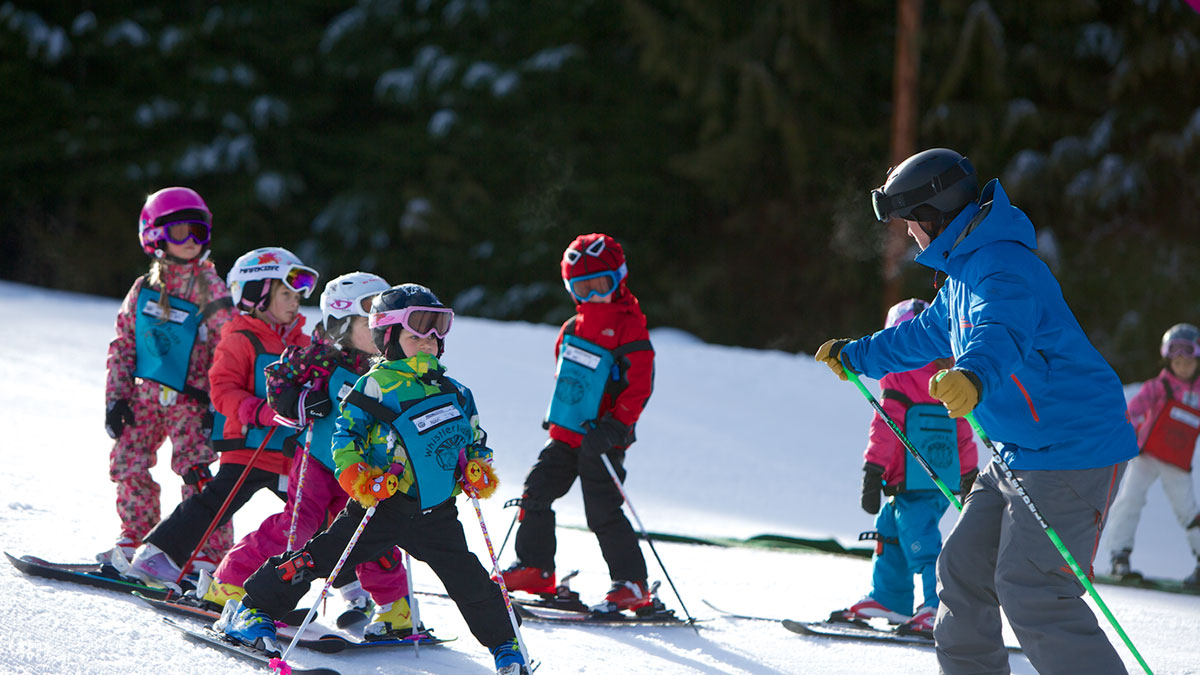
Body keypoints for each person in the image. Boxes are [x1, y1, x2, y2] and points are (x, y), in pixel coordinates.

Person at [815, 147, 1137, 674]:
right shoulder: (964, 272)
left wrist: (973, 377)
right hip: (1018, 455)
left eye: (908, 222)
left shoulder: (1004, 268)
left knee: (1034, 589)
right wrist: (857, 354)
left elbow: (999, 333)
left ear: (933, 215)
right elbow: (923, 333)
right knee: (962, 571)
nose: (907, 235)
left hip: (1074, 449)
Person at [215, 283, 529, 675]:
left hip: (436, 512)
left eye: (436, 334)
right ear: (389, 337)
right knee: (322, 557)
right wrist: (357, 475)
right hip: (383, 505)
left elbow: (473, 437)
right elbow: (345, 437)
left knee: (471, 580)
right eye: (416, 336)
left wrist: (476, 466)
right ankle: (253, 608)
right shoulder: (375, 387)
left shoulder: (455, 391)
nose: (428, 343)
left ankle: (506, 646)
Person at [192, 272, 420, 639]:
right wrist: (296, 400)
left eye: (387, 327)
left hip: (362, 467)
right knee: (299, 528)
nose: (383, 336)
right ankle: (231, 582)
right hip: (315, 460)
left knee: (372, 530)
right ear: (342, 324)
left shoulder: (388, 371)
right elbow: (278, 379)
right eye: (371, 325)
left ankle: (396, 606)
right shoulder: (319, 358)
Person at [124, 247, 317, 587]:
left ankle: (345, 589)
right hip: (247, 448)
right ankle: (156, 557)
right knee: (214, 504)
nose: (294, 302)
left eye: (297, 296)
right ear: (257, 294)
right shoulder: (240, 338)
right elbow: (222, 389)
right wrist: (258, 410)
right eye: (285, 294)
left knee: (314, 517)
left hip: (290, 455)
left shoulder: (302, 345)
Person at [498, 233, 656, 613]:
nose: (594, 294)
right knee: (536, 490)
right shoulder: (572, 328)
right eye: (583, 287)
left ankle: (632, 583)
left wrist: (616, 427)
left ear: (619, 277)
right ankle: (536, 567)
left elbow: (639, 384)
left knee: (601, 509)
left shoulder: (628, 326)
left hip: (604, 439)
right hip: (567, 433)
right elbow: (566, 378)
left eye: (602, 284)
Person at [100, 187, 237, 566]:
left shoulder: (211, 287)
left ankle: (208, 553)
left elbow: (229, 349)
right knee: (127, 461)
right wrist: (117, 398)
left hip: (191, 402)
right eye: (180, 233)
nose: (191, 242)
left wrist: (219, 405)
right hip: (146, 396)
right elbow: (125, 344)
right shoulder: (145, 288)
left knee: (196, 473)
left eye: (198, 231)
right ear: (155, 234)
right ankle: (136, 535)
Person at [829, 298, 978, 638]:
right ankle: (889, 597)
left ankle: (935, 605)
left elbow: (884, 429)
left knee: (920, 542)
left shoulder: (898, 379)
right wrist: (968, 475)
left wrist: (872, 472)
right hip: (937, 482)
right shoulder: (949, 380)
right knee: (891, 533)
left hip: (913, 481)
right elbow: (963, 430)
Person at [1106, 323, 1200, 585]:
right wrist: (1126, 433)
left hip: (1177, 465)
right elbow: (1133, 413)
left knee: (1188, 511)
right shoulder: (1157, 388)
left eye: (1188, 360)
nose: (1182, 366)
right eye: (1177, 360)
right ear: (1167, 359)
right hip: (1146, 457)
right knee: (1130, 502)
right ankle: (1119, 556)